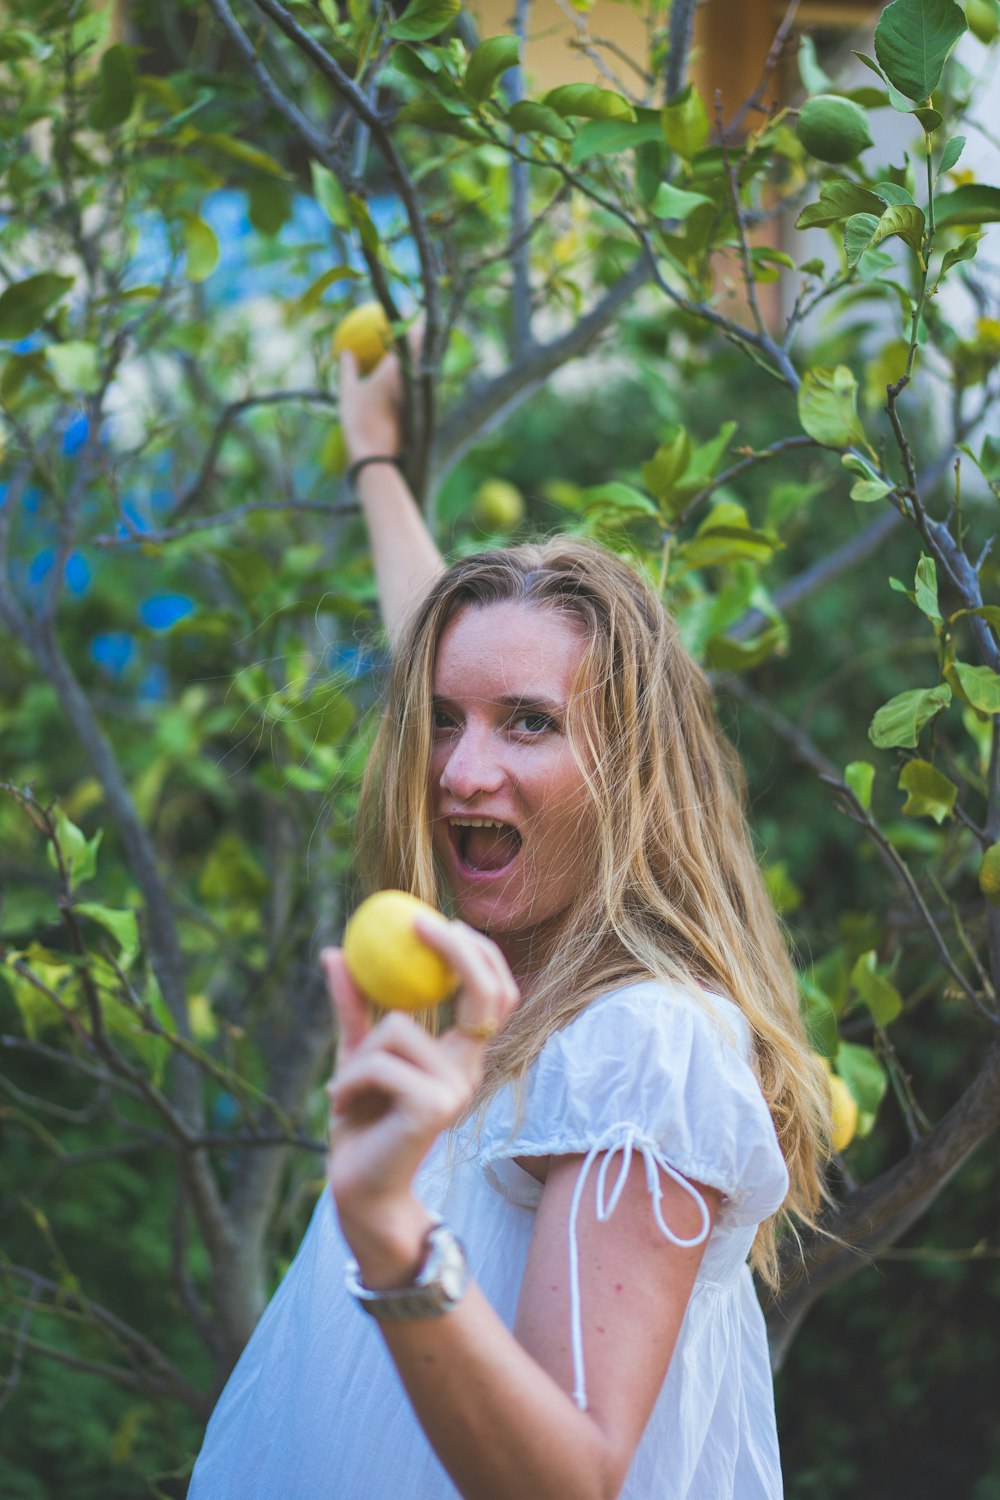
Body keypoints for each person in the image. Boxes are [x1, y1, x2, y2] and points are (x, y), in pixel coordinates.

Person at [187, 346, 831, 1500]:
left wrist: (388, 1235)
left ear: (633, 772)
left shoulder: (646, 1043)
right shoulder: (504, 1003)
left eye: (527, 724)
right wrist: (375, 459)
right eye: (439, 720)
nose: (460, 768)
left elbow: (569, 1479)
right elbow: (457, 639)